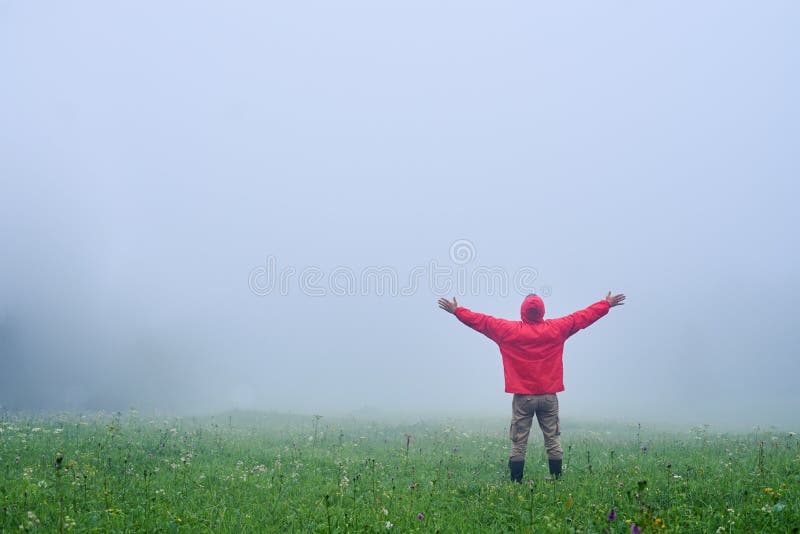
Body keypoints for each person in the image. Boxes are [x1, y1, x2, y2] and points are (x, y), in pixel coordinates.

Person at [437, 291, 625, 482]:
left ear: (523, 311)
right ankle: (556, 482)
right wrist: (605, 304)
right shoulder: (556, 328)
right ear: (542, 311)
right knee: (553, 440)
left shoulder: (508, 330)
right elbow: (581, 318)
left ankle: (516, 484)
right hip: (549, 396)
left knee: (519, 442)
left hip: (523, 398)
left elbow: (482, 322)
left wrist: (457, 311)